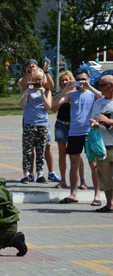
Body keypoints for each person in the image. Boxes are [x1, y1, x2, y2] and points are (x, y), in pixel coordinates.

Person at [53, 68, 102, 204]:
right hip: (74, 133)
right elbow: (54, 103)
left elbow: (104, 98)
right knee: (74, 164)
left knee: (93, 164)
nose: (81, 82)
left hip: (89, 132)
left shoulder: (93, 94)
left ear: (89, 78)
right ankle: (73, 194)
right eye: (79, 79)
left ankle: (97, 195)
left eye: (84, 79)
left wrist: (89, 87)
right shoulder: (72, 95)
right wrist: (66, 89)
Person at [19, 58, 60, 183]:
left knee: (42, 149)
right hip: (29, 122)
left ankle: (40, 174)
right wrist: (27, 90)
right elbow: (21, 105)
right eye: (34, 79)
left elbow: (49, 106)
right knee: (28, 150)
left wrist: (42, 91)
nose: (37, 82)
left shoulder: (46, 88)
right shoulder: (25, 84)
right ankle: (27, 174)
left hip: (42, 123)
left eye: (39, 80)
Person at [52, 71, 87, 189]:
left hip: (74, 126)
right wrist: (63, 92)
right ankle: (63, 180)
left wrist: (70, 93)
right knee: (62, 154)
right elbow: (53, 109)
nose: (64, 82)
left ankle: (82, 180)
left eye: (67, 80)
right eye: (62, 80)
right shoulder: (60, 94)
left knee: (77, 155)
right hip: (61, 124)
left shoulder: (77, 94)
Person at [89, 75, 113, 212]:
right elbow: (93, 118)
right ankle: (109, 204)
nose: (100, 88)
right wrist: (95, 123)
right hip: (101, 146)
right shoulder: (98, 102)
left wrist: (109, 122)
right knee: (104, 177)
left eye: (103, 85)